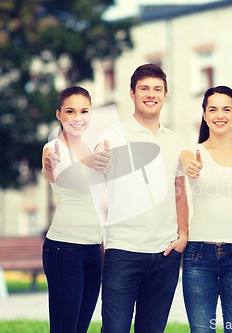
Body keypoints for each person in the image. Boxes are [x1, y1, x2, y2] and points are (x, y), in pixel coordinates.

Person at [95, 63, 189, 333]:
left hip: (165, 253)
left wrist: (183, 234)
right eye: (144, 89)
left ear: (166, 94)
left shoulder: (176, 140)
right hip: (123, 250)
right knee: (115, 329)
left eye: (157, 89)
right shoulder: (114, 132)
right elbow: (102, 151)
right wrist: (102, 153)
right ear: (132, 94)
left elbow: (179, 190)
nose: (151, 94)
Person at [180, 86, 232, 333]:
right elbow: (185, 159)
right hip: (198, 255)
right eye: (212, 109)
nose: (220, 115)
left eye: (226, 109)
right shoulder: (192, 152)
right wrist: (189, 164)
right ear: (204, 115)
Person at [41, 86, 103, 333]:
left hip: (93, 250)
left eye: (84, 111)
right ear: (59, 115)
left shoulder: (92, 148)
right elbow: (50, 173)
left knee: (81, 327)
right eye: (70, 111)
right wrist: (48, 166)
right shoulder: (53, 148)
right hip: (64, 249)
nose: (78, 117)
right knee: (64, 328)